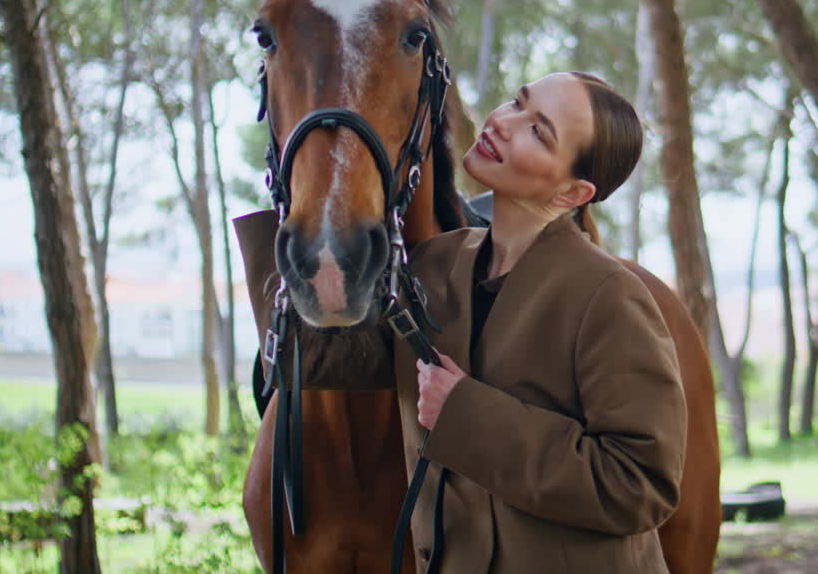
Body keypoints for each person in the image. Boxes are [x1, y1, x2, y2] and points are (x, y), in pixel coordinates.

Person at [245, 71, 687, 573]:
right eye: (517, 103)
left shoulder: (611, 296)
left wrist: (465, 414)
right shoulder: (432, 266)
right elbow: (332, 367)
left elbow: (640, 485)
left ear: (572, 193)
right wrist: (302, 205)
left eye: (538, 131)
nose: (503, 123)